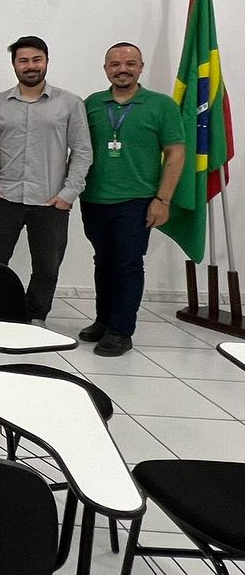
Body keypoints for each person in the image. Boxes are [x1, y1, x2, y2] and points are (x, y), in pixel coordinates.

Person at [79, 43, 184, 357]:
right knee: (103, 262)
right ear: (106, 68)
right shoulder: (92, 104)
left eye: (129, 63)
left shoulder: (161, 105)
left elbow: (176, 153)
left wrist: (163, 199)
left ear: (140, 67)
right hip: (94, 198)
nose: (122, 69)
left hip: (137, 201)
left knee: (127, 264)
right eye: (115, 64)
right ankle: (103, 320)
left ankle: (121, 331)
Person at [0, 36, 93, 324]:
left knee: (47, 266)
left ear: (46, 61)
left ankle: (35, 317)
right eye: (23, 60)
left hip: (51, 199)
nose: (30, 66)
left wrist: (69, 192)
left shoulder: (70, 103)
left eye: (36, 60)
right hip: (5, 197)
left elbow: (82, 150)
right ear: (14, 65)